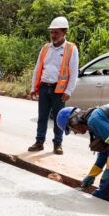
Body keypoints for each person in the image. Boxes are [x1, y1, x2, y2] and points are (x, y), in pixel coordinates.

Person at [28, 16, 79, 155]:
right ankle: (39, 142)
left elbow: (74, 72)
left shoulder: (71, 49)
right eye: (52, 32)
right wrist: (34, 88)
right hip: (44, 87)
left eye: (56, 32)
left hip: (59, 89)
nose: (53, 35)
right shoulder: (45, 48)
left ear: (64, 33)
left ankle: (58, 143)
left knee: (58, 118)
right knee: (42, 116)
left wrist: (69, 90)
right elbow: (38, 68)